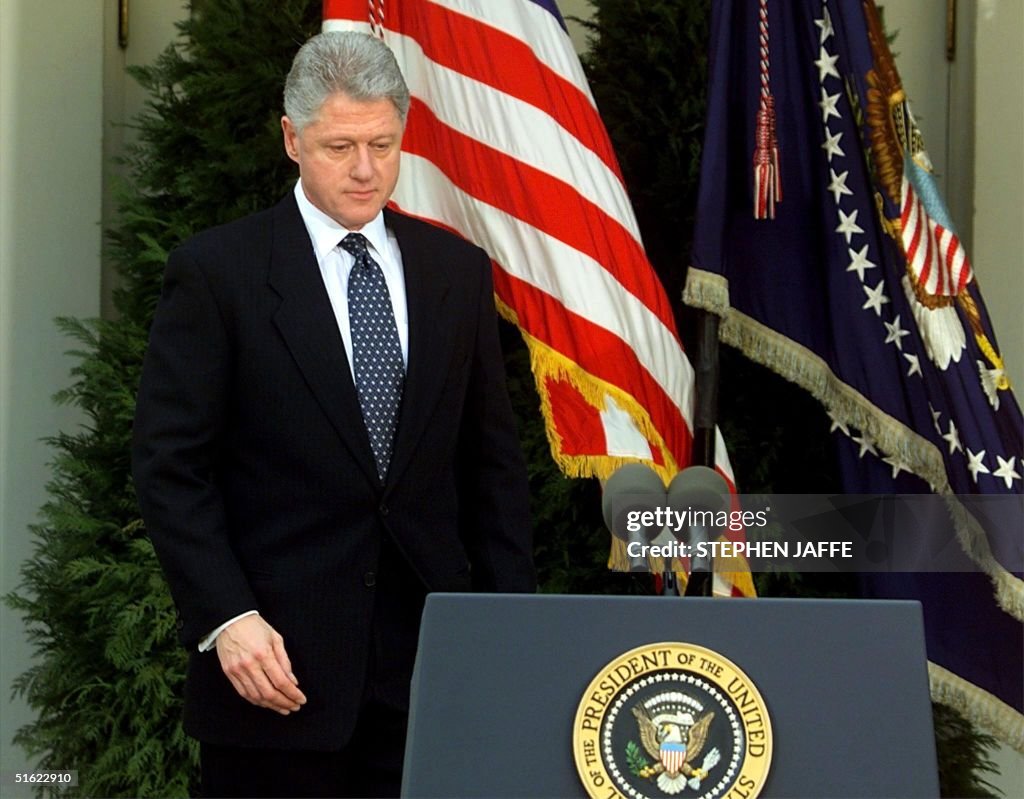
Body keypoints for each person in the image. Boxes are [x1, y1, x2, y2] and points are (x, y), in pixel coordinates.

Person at [131, 31, 536, 798]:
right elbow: (170, 467)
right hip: (276, 677)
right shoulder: (219, 273)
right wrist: (227, 618)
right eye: (338, 145)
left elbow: (492, 471)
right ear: (292, 138)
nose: (363, 169)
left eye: (382, 144)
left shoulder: (455, 271)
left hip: (431, 676)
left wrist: (506, 635)